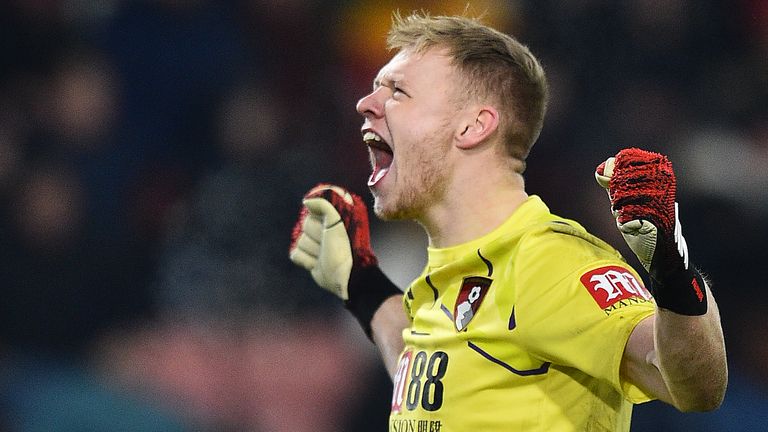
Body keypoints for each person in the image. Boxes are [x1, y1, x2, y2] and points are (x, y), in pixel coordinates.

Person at [289, 12, 727, 431]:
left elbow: (692, 386)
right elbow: (434, 362)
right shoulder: (452, 271)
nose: (366, 103)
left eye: (397, 92)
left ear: (473, 126)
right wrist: (360, 283)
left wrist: (671, 267)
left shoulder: (548, 261)